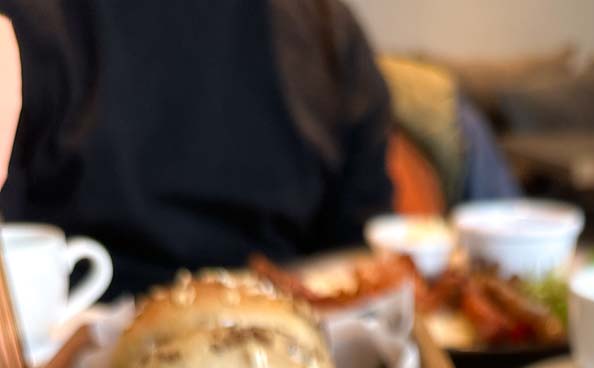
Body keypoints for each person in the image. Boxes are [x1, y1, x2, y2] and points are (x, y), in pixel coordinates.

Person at [0, 0, 393, 296]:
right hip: (80, 335)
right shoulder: (24, 26)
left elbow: (362, 259)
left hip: (290, 332)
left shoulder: (328, 29)